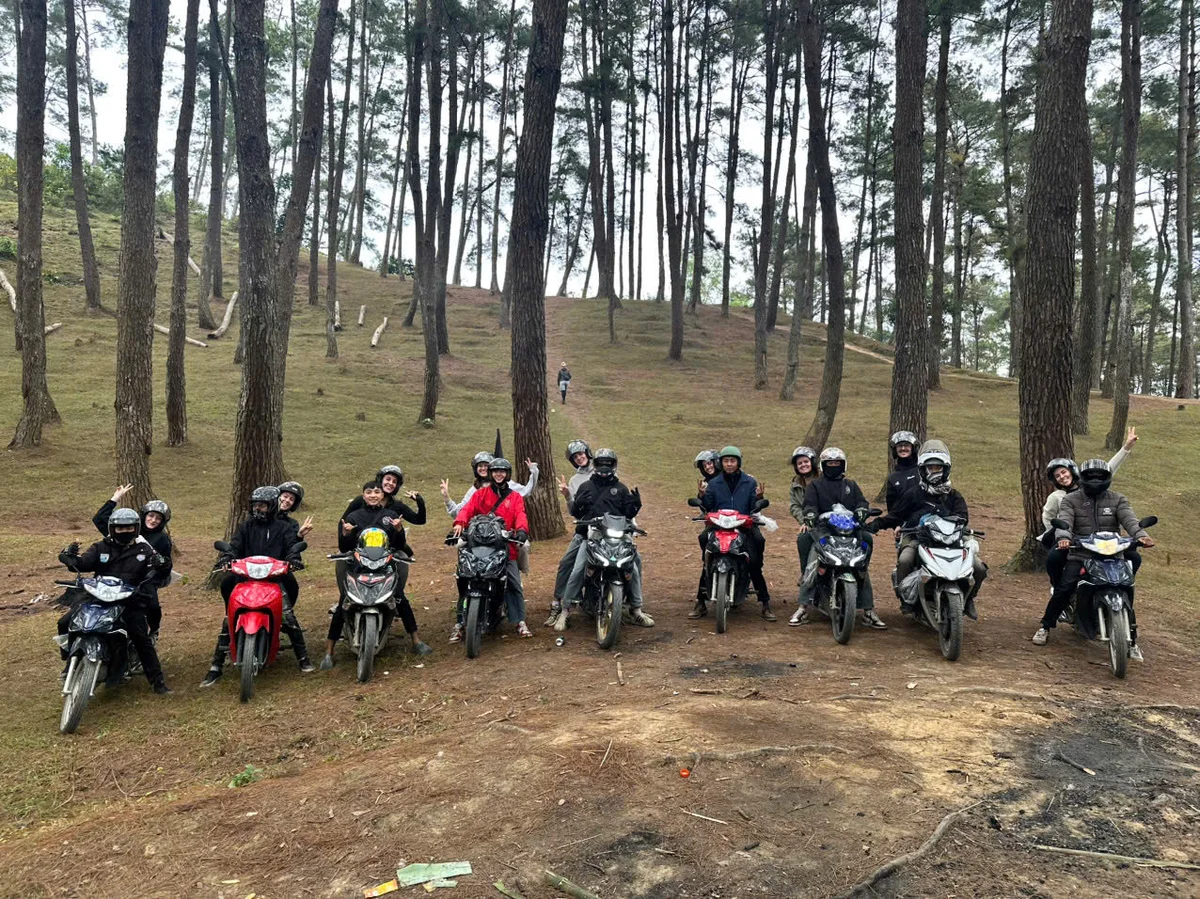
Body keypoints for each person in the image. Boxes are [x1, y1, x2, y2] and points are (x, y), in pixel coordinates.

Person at [1032, 458, 1153, 659]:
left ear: (1107, 478)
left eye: (1100, 476)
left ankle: (1131, 640)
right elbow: (1065, 522)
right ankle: (1046, 626)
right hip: (1081, 553)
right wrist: (1063, 538)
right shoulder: (1070, 500)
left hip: (1112, 553)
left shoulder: (1118, 499)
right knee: (1065, 586)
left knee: (1126, 587)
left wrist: (1141, 536)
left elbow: (1129, 519)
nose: (1096, 480)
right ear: (1083, 477)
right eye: (1091, 476)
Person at [200, 487, 313, 686]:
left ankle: (303, 657)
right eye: (255, 505)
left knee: (289, 617)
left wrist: (293, 559)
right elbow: (234, 546)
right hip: (246, 578)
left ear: (271, 506)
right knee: (228, 620)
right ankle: (216, 666)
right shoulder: (245, 527)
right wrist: (227, 557)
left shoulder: (284, 528)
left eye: (262, 505)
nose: (258, 509)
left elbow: (291, 548)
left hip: (274, 578)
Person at [59, 507, 172, 694]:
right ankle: (70, 659)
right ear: (112, 529)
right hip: (96, 597)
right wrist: (68, 557)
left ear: (136, 529)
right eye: (120, 528)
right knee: (65, 622)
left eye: (129, 529)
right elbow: (83, 563)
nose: (125, 532)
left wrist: (163, 564)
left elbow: (161, 569)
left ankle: (157, 681)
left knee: (140, 637)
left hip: (129, 600)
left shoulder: (144, 550)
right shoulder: (100, 547)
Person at [320, 482, 432, 669]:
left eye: (377, 492)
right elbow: (345, 547)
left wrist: (398, 530)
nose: (373, 495)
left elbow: (398, 543)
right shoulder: (354, 516)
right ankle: (328, 652)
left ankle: (416, 640)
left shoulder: (391, 515)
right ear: (363, 496)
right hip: (358, 566)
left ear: (382, 495)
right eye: (369, 492)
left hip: (385, 565)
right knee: (344, 601)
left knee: (399, 598)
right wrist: (346, 533)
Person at [870, 440, 987, 612]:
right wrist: (874, 525)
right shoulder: (914, 494)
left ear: (945, 469)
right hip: (918, 537)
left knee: (979, 568)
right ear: (923, 470)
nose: (934, 471)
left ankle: (969, 599)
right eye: (930, 468)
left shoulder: (954, 495)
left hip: (952, 540)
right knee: (905, 560)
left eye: (938, 468)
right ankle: (906, 600)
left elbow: (963, 517)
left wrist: (949, 520)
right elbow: (895, 515)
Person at [558, 449, 654, 629]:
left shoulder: (621, 488)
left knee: (633, 564)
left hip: (616, 538)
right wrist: (579, 504)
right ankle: (566, 610)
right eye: (601, 463)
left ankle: (637, 609)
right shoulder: (586, 487)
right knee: (578, 568)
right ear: (595, 465)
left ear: (613, 465)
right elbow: (576, 513)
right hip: (592, 536)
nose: (604, 467)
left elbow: (627, 514)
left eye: (608, 464)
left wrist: (635, 507)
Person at [793, 448, 885, 629]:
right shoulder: (815, 486)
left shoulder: (851, 484)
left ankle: (868, 610)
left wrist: (861, 510)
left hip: (850, 530)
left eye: (837, 464)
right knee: (813, 560)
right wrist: (810, 514)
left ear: (843, 465)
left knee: (863, 556)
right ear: (823, 465)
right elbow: (809, 504)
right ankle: (803, 606)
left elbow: (862, 502)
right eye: (830, 464)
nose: (833, 467)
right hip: (823, 531)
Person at [1041, 427, 1137, 591]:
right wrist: (1063, 537)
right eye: (1058, 476)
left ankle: (1121, 584)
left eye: (1064, 472)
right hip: (1072, 540)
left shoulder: (1091, 485)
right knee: (1053, 558)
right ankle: (1057, 588)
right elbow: (1048, 520)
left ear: (1072, 471)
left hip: (1101, 539)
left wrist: (1126, 447)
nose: (1062, 477)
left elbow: (1109, 468)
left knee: (1133, 557)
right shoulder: (1056, 497)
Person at [449, 458, 533, 640]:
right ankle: (460, 622)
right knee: (465, 578)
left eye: (502, 471)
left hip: (504, 545)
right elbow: (466, 510)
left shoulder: (515, 497)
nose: (499, 474)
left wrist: (521, 531)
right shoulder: (480, 494)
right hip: (479, 544)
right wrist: (459, 525)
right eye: (495, 471)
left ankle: (519, 620)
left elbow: (520, 515)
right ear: (490, 473)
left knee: (513, 583)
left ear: (507, 474)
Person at [692, 446, 775, 621]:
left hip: (743, 525)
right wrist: (701, 496)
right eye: (726, 461)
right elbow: (708, 506)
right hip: (719, 525)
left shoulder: (749, 482)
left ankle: (765, 603)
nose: (729, 464)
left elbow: (753, 506)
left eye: (732, 461)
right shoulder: (714, 483)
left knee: (757, 546)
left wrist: (759, 499)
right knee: (704, 543)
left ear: (738, 462)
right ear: (720, 463)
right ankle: (701, 602)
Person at [91, 485, 173, 639]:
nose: (153, 520)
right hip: (119, 574)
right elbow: (100, 520)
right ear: (144, 515)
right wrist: (115, 499)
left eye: (158, 518)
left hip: (145, 578)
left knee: (153, 605)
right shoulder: (129, 527)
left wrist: (157, 571)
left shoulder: (162, 539)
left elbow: (166, 564)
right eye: (151, 516)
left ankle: (154, 631)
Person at [548, 440, 594, 625]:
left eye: (581, 454)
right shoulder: (575, 481)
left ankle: (632, 603)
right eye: (575, 457)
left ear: (588, 453)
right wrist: (567, 495)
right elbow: (574, 510)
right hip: (583, 529)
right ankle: (558, 602)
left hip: (605, 528)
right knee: (566, 563)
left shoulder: (603, 472)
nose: (580, 458)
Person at [441, 454, 540, 517]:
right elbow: (459, 512)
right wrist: (447, 498)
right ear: (475, 469)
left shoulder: (506, 484)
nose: (483, 468)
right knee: (461, 545)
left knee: (523, 546)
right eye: (480, 466)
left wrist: (534, 472)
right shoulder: (475, 489)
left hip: (504, 527)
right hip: (481, 530)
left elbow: (526, 491)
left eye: (486, 466)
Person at [786, 446, 819, 623]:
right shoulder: (796, 484)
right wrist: (804, 521)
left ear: (812, 462)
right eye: (800, 463)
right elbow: (794, 506)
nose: (803, 465)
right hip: (808, 524)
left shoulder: (823, 478)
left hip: (826, 522)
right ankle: (805, 573)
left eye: (806, 461)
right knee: (803, 539)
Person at [882, 431, 921, 514]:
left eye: (906, 445)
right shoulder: (893, 478)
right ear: (895, 450)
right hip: (904, 524)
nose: (903, 448)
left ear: (913, 448)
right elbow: (892, 508)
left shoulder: (922, 471)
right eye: (900, 446)